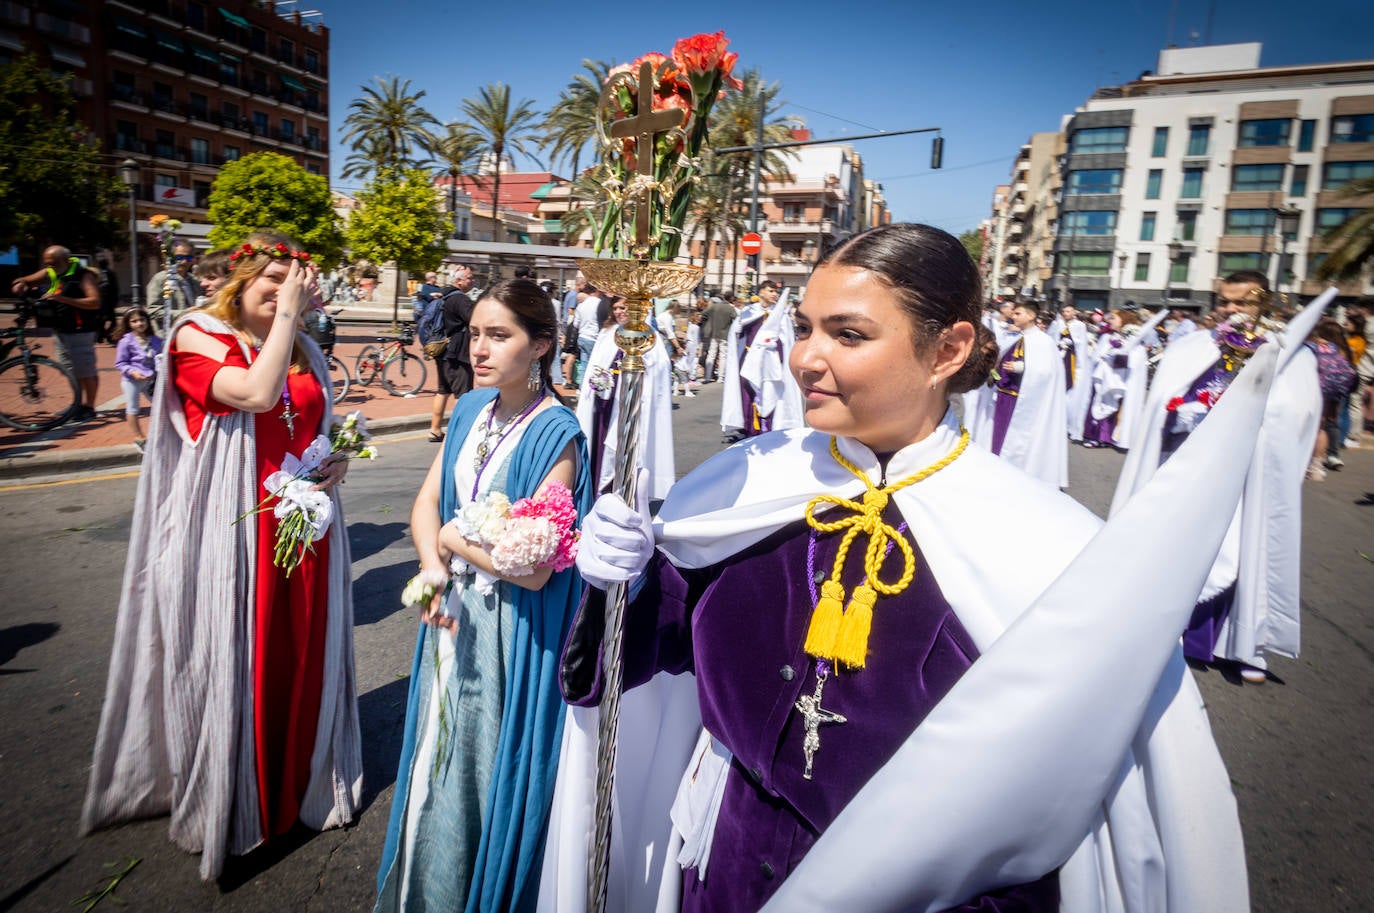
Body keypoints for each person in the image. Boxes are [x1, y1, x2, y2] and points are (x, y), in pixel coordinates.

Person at [541, 223, 1248, 913]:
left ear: (948, 349)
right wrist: (624, 584)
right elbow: (647, 665)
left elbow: (1086, 788)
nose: (804, 358)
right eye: (807, 326)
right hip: (724, 869)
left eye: (847, 334)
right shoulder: (738, 488)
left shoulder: (1052, 549)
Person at [81, 230, 361, 879]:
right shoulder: (197, 337)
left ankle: (297, 793)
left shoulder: (305, 346)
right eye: (273, 281)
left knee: (300, 661)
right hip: (236, 540)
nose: (286, 293)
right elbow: (257, 394)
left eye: (293, 282)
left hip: (304, 531)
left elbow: (315, 417)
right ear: (243, 279)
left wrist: (336, 455)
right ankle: (239, 805)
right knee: (245, 663)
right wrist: (291, 314)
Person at [374, 279, 592, 912]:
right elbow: (426, 499)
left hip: (512, 630)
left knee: (483, 764)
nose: (479, 349)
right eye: (476, 334)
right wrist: (430, 564)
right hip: (452, 617)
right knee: (435, 758)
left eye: (500, 336)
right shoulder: (471, 408)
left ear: (543, 344)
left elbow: (535, 571)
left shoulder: (558, 434)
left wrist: (451, 539)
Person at [1111, 271, 1321, 683]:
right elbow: (1163, 403)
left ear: (1264, 303)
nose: (1230, 309)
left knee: (1246, 552)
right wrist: (1183, 412)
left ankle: (1240, 643)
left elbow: (1297, 414)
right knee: (1176, 549)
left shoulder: (1292, 355)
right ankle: (1168, 628)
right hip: (1187, 469)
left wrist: (1249, 420)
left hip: (1247, 477)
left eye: (1241, 302)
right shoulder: (1193, 346)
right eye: (1225, 300)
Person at [576, 296, 675, 499]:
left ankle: (621, 497)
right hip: (604, 406)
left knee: (621, 455)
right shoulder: (608, 334)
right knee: (600, 454)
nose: (620, 311)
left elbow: (658, 372)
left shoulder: (650, 340)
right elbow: (596, 366)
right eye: (617, 308)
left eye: (625, 307)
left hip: (629, 407)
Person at [965, 300, 1068, 488]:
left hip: (1021, 401)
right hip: (1003, 397)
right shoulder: (1014, 337)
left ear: (1031, 316)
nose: (1014, 316)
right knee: (997, 438)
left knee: (1016, 441)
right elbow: (1000, 362)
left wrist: (1024, 368)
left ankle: (1014, 475)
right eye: (1014, 313)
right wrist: (993, 374)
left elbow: (1046, 373)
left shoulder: (1043, 342)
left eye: (1018, 313)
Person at [10, 245, 102, 420]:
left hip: (80, 330)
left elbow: (95, 302)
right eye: (46, 263)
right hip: (60, 329)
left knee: (85, 370)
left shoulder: (83, 275)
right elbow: (26, 280)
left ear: (65, 261)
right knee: (70, 370)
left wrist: (62, 298)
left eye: (52, 263)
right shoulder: (51, 272)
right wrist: (20, 284)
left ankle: (89, 407)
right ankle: (77, 404)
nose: (48, 266)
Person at [428, 264, 477, 442]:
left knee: (443, 390)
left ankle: (435, 429)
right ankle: (458, 434)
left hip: (442, 350)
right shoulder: (460, 300)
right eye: (469, 278)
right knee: (462, 394)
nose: (473, 280)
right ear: (458, 281)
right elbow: (473, 319)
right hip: (457, 353)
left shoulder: (444, 296)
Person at [1080, 309, 1140, 449]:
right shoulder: (1107, 337)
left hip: (1116, 380)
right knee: (1096, 404)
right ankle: (1091, 434)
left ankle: (1104, 437)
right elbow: (1097, 356)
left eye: (1114, 318)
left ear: (1124, 321)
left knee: (1111, 407)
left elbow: (1132, 363)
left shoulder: (1132, 341)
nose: (1109, 321)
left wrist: (1118, 355)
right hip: (1101, 377)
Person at [1306, 317, 1358, 477]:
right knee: (1324, 428)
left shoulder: (1315, 346)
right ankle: (1318, 467)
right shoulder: (1343, 349)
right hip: (1336, 392)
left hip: (1315, 390)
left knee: (1310, 428)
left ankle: (1306, 464)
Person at [112, 307, 162, 447]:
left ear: (147, 321)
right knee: (133, 408)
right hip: (132, 381)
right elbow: (120, 363)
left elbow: (161, 356)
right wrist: (132, 372)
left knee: (160, 405)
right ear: (129, 324)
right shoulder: (126, 341)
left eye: (141, 320)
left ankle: (159, 433)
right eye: (134, 321)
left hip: (151, 380)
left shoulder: (156, 340)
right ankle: (139, 436)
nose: (139, 324)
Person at [1047, 303, 1092, 440]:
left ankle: (1068, 424)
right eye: (1064, 311)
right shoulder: (1057, 324)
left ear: (1074, 313)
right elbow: (1051, 338)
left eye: (1069, 311)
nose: (1066, 313)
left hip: (1072, 360)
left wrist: (1071, 342)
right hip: (1059, 358)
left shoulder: (1079, 325)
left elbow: (1082, 344)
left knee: (1070, 391)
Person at [145, 238, 198, 315]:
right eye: (179, 257)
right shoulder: (160, 279)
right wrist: (184, 313)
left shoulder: (195, 281)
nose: (184, 262)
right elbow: (153, 311)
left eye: (188, 258)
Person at [700, 294, 736, 383]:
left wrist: (711, 318)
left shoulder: (715, 306)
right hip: (725, 334)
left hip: (714, 333)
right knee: (723, 356)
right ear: (730, 299)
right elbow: (736, 318)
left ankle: (707, 376)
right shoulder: (730, 308)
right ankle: (721, 377)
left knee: (711, 355)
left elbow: (704, 313)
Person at [96, 258, 120, 343]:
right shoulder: (110, 273)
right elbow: (114, 287)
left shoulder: (99, 273)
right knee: (111, 321)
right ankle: (108, 336)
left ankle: (101, 336)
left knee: (101, 320)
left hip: (102, 300)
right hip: (108, 300)